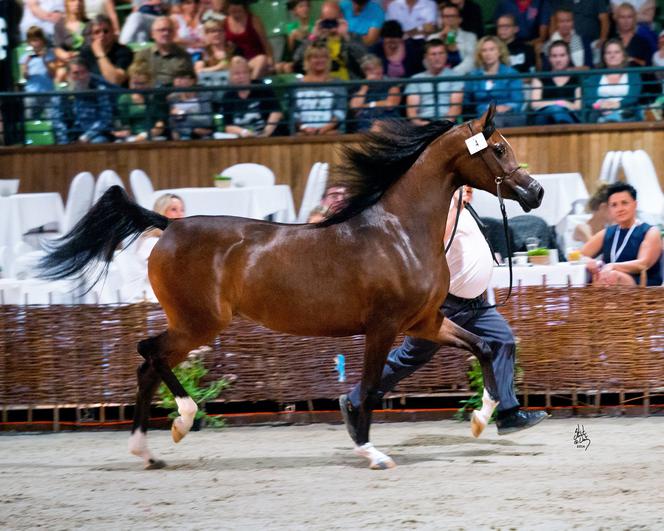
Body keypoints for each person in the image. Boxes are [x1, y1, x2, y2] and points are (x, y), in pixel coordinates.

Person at [339, 186, 548, 450]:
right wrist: (456, 208)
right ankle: (355, 400)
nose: (468, 190)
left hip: (476, 305)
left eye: (470, 187)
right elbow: (436, 244)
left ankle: (508, 413)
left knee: (503, 340)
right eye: (464, 186)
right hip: (447, 305)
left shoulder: (466, 210)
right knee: (409, 357)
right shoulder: (439, 212)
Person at [582, 182, 662, 286]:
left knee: (612, 276)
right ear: (609, 209)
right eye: (614, 205)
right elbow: (580, 255)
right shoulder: (608, 232)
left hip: (642, 285)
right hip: (608, 279)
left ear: (635, 204)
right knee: (596, 277)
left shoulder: (650, 231)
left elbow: (643, 264)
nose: (620, 209)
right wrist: (588, 261)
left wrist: (612, 266)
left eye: (624, 203)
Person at [464, 35, 525, 127]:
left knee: (494, 121)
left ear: (499, 52)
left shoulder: (511, 73)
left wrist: (505, 107)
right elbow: (467, 102)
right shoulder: (474, 75)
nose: (488, 53)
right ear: (480, 54)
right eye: (484, 50)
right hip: (481, 115)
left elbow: (517, 101)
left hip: (509, 114)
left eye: (492, 49)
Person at [52, 57, 114, 144]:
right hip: (69, 135)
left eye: (83, 72)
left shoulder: (99, 91)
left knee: (99, 142)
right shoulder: (61, 94)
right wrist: (66, 140)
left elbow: (105, 118)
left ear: (89, 73)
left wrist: (87, 136)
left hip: (94, 135)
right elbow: (57, 121)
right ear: (68, 75)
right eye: (76, 73)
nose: (81, 77)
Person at [218, 56, 284, 137]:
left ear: (250, 74)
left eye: (244, 73)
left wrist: (265, 134)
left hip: (267, 136)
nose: (241, 77)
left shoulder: (262, 88)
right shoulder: (228, 96)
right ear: (231, 77)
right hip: (242, 139)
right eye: (237, 74)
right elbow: (228, 126)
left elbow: (276, 113)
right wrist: (243, 132)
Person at [291, 41, 347, 135]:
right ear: (308, 60)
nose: (320, 60)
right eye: (315, 57)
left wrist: (324, 129)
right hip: (303, 131)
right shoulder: (297, 84)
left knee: (332, 134)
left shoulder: (337, 83)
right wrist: (305, 128)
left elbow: (340, 111)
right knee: (299, 136)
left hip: (330, 130)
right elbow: (294, 112)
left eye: (324, 57)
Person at [404, 38, 463, 124]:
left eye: (441, 53)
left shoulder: (455, 77)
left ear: (446, 55)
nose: (437, 57)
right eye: (433, 54)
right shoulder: (416, 79)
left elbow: (455, 108)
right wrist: (423, 125)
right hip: (423, 125)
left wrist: (441, 126)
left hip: (448, 125)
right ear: (426, 57)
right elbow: (412, 111)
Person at [583, 39, 643, 123]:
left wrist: (618, 104)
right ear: (604, 56)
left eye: (616, 52)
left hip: (625, 114)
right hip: (600, 113)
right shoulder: (595, 75)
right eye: (608, 53)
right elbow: (589, 98)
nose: (612, 55)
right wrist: (601, 104)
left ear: (623, 56)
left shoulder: (633, 75)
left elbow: (633, 96)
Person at [529, 40, 581, 124]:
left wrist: (554, 105)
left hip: (570, 117)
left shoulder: (577, 78)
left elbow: (578, 106)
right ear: (549, 58)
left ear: (569, 57)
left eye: (562, 55)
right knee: (554, 110)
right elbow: (535, 104)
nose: (558, 59)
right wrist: (560, 103)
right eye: (554, 56)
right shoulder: (540, 78)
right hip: (543, 117)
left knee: (558, 112)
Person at [113, 60, 166, 142]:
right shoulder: (124, 98)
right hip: (132, 137)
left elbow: (160, 124)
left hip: (154, 136)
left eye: (141, 83)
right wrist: (124, 132)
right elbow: (124, 124)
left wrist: (146, 135)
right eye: (133, 83)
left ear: (150, 82)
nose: (136, 87)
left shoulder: (157, 97)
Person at [135, 16, 195, 86]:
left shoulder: (184, 56)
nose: (166, 33)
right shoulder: (142, 55)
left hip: (174, 94)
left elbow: (190, 82)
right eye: (161, 30)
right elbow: (135, 80)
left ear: (174, 34)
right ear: (152, 34)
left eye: (170, 30)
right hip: (149, 93)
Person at [349, 54, 402, 131]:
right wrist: (365, 86)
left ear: (381, 68)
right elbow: (354, 107)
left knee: (377, 126)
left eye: (376, 67)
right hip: (365, 123)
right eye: (369, 69)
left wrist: (366, 105)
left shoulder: (391, 83)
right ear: (364, 72)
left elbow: (390, 104)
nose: (374, 71)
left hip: (388, 121)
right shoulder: (360, 86)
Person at [79, 14, 133, 86]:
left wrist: (100, 54)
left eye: (106, 31)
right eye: (97, 32)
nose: (102, 35)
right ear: (92, 36)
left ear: (112, 32)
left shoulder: (124, 52)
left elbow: (114, 80)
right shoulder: (85, 52)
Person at [223, 0, 273, 79]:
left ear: (244, 8)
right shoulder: (224, 22)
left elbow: (265, 42)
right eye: (233, 11)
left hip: (254, 59)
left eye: (239, 11)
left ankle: (251, 84)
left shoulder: (254, 20)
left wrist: (270, 58)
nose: (236, 13)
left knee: (262, 59)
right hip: (236, 60)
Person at [21, 26, 57, 120]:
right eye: (32, 40)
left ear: (42, 40)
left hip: (48, 93)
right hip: (31, 93)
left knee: (52, 119)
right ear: (28, 42)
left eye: (37, 40)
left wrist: (44, 59)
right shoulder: (25, 57)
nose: (35, 43)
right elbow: (25, 76)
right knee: (30, 119)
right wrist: (26, 63)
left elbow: (53, 74)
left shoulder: (49, 55)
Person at [431, 1, 477, 74]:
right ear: (441, 19)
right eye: (446, 16)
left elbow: (471, 63)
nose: (450, 19)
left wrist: (449, 74)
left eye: (453, 16)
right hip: (437, 78)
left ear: (460, 19)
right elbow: (426, 62)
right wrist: (439, 41)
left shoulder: (470, 37)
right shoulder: (433, 38)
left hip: (461, 77)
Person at [167, 69, 214, 140]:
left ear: (192, 81)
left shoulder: (204, 96)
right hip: (184, 135)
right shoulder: (173, 98)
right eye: (176, 78)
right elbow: (173, 124)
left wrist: (184, 116)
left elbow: (207, 120)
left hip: (203, 135)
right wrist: (192, 131)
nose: (178, 80)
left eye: (182, 78)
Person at [53, 0, 90, 83]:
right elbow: (57, 47)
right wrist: (63, 54)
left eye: (80, 1)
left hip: (86, 63)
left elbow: (90, 47)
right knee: (60, 74)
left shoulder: (90, 24)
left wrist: (74, 55)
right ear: (66, 3)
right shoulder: (59, 25)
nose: (77, 3)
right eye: (73, 1)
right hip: (67, 64)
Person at [611, 2, 653, 66]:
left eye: (629, 17)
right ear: (617, 19)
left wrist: (634, 60)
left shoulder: (643, 42)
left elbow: (649, 67)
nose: (626, 21)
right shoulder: (610, 41)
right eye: (622, 17)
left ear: (634, 19)